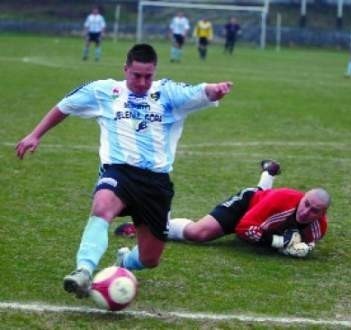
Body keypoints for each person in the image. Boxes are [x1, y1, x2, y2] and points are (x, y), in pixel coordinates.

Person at [16, 43, 233, 299]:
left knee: (150, 258)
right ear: (126, 69)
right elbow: (65, 106)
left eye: (148, 76)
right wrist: (35, 134)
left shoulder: (167, 93)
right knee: (102, 205)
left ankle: (123, 263)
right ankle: (83, 271)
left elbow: (199, 91)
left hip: (156, 183)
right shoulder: (104, 91)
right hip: (119, 172)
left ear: (155, 72)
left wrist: (215, 90)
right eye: (136, 75)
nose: (142, 82)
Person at [165, 160, 331, 258]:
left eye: (314, 211)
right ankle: (158, 225)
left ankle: (269, 171)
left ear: (322, 214)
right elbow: (243, 229)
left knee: (263, 197)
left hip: (263, 207)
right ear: (303, 197)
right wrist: (279, 242)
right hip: (246, 206)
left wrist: (302, 248)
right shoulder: (281, 199)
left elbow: (307, 244)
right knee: (197, 233)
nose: (306, 211)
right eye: (306, 204)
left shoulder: (319, 227)